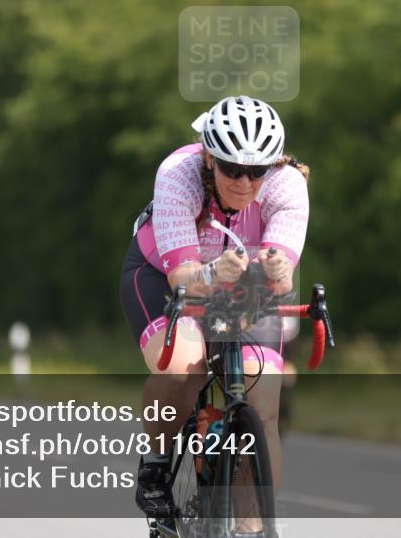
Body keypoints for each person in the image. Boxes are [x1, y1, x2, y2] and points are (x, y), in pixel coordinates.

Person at [120, 95, 310, 526]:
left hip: (244, 286)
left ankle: (250, 527)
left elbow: (276, 282)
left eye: (257, 171)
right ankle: (156, 465)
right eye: (231, 169)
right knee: (185, 368)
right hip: (163, 275)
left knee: (261, 405)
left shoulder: (288, 185)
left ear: (273, 165)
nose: (244, 182)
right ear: (208, 157)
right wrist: (212, 271)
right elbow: (182, 278)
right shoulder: (177, 175)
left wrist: (278, 268)